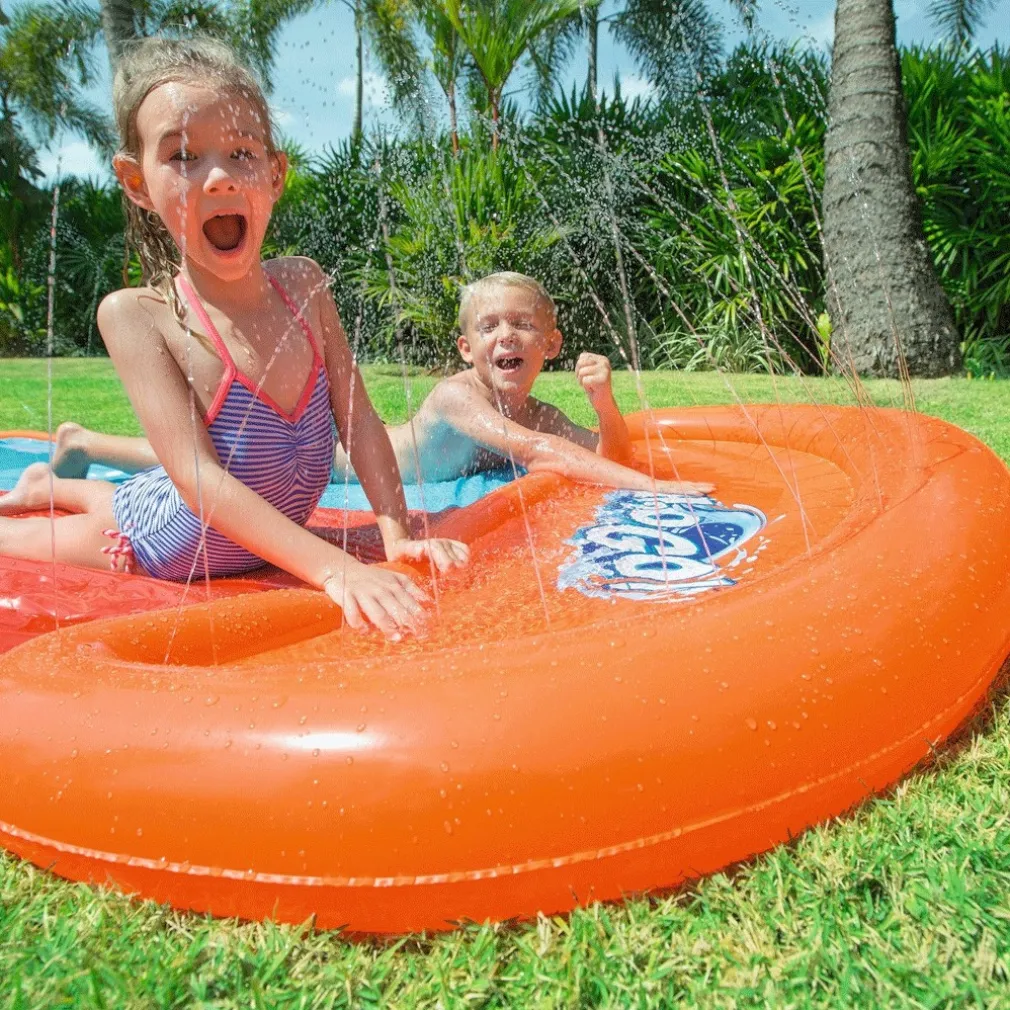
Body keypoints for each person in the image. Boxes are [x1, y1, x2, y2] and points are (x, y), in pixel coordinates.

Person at [0, 36, 468, 639]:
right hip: (162, 539)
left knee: (116, 491)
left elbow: (360, 423)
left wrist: (395, 532)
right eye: (182, 157)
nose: (218, 177)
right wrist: (337, 570)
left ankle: (52, 480)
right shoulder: (139, 316)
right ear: (136, 182)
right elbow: (199, 483)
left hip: (184, 501)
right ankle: (51, 489)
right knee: (19, 539)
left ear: (275, 175)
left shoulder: (304, 287)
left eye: (242, 153)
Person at [39, 272, 712, 496]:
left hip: (369, 456)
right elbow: (544, 456)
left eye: (521, 326)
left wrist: (604, 403)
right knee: (231, 467)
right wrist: (657, 492)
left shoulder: (538, 407)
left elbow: (603, 456)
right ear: (466, 348)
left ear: (550, 346)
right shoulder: (458, 397)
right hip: (348, 461)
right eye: (488, 327)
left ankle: (87, 441)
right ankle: (86, 444)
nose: (505, 337)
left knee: (229, 462)